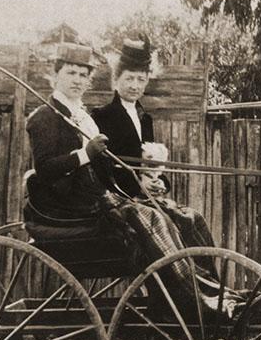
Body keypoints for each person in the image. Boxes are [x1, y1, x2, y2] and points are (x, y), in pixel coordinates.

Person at [24, 42, 220, 311]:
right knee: (152, 218)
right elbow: (45, 168)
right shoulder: (45, 117)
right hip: (72, 206)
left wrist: (137, 184)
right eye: (71, 73)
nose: (78, 80)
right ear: (56, 74)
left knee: (184, 216)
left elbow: (106, 171)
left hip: (100, 197)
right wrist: (85, 154)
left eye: (83, 75)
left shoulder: (81, 116)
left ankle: (210, 289)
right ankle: (191, 299)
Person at [91, 38, 217, 252]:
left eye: (141, 79)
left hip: (146, 197)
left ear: (147, 80)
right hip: (123, 200)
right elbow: (104, 169)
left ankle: (209, 281)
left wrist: (159, 182)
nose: (134, 85)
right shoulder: (102, 117)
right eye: (129, 78)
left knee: (193, 218)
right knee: (168, 223)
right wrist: (138, 184)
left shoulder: (144, 118)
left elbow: (150, 163)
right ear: (116, 79)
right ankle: (182, 282)